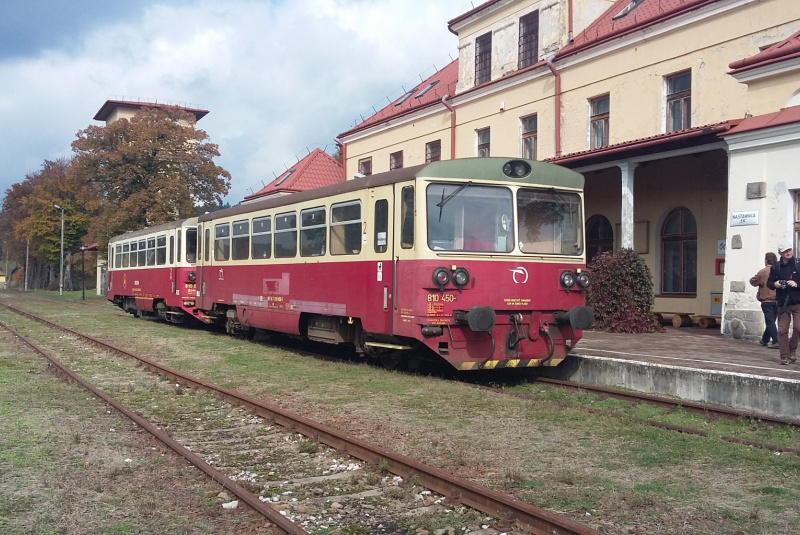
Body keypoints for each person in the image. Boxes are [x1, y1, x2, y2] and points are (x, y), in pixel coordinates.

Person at [767, 244, 800, 365]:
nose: (788, 252)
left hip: (797, 302)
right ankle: (784, 356)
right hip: (783, 303)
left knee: (798, 328)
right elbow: (769, 283)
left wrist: (796, 284)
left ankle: (792, 349)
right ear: (780, 253)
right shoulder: (776, 267)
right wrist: (775, 284)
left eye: (789, 250)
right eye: (785, 251)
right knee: (782, 330)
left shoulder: (798, 263)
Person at [750, 252, 778, 349]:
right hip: (777, 301)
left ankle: (776, 341)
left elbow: (753, 282)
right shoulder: (778, 270)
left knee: (770, 322)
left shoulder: (763, 272)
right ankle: (764, 339)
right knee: (772, 321)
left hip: (766, 300)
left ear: (766, 260)